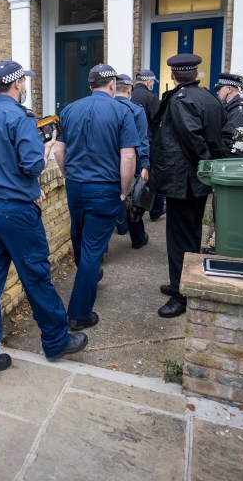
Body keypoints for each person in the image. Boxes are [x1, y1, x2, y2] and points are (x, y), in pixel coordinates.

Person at [0, 60, 87, 381]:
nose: (25, 86)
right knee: (36, 277)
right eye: (24, 82)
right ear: (17, 84)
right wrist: (46, 144)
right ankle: (56, 340)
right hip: (16, 214)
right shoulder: (21, 118)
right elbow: (33, 165)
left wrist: (27, 187)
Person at [55, 64, 138, 329]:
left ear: (90, 85)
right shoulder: (121, 111)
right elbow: (128, 155)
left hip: (76, 186)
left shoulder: (69, 110)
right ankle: (79, 314)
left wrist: (68, 175)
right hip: (104, 188)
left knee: (79, 236)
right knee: (92, 250)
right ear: (112, 84)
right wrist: (124, 190)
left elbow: (58, 150)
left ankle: (89, 274)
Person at [149, 54, 228, 318]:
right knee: (191, 234)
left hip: (184, 180)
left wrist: (204, 167)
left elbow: (192, 139)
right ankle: (183, 282)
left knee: (180, 239)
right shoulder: (209, 97)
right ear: (196, 74)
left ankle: (181, 295)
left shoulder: (181, 100)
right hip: (194, 181)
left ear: (173, 76)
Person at [115, 74, 151, 249]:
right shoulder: (136, 110)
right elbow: (143, 140)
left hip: (110, 162)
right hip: (132, 160)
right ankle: (137, 239)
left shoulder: (109, 107)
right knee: (133, 200)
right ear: (130, 90)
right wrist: (145, 165)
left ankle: (121, 227)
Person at [132, 69, 164, 221]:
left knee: (129, 178)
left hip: (126, 145)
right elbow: (158, 123)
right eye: (152, 82)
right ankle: (155, 210)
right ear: (149, 81)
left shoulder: (127, 94)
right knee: (151, 178)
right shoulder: (151, 97)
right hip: (147, 143)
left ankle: (125, 220)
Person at [216, 73, 243, 157]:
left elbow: (232, 137)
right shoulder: (234, 107)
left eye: (219, 89)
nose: (217, 92)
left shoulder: (242, 109)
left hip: (237, 162)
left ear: (229, 89)